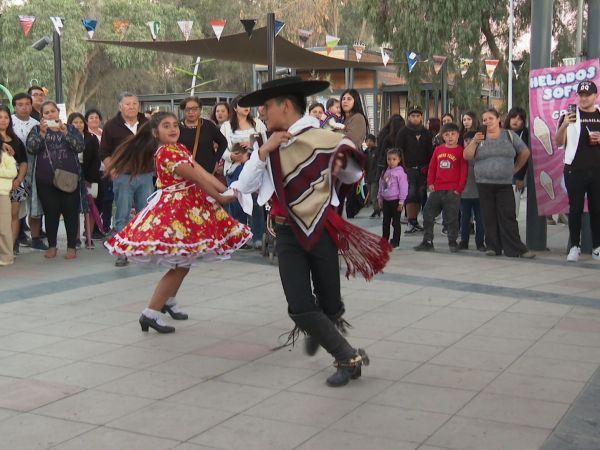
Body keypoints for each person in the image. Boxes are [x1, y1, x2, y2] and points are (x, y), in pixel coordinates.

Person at [232, 76, 392, 387]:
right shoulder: (267, 142)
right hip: (286, 232)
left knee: (330, 302)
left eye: (266, 106)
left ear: (285, 106)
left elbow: (354, 174)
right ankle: (347, 356)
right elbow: (247, 185)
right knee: (299, 305)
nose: (261, 112)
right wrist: (263, 152)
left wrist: (340, 165)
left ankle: (326, 330)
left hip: (321, 227)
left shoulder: (327, 138)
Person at [104, 112, 251, 333]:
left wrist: (228, 189)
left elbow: (202, 172)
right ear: (156, 133)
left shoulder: (179, 148)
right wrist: (221, 197)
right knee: (180, 264)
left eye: (175, 125)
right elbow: (197, 178)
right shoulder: (166, 152)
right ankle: (150, 313)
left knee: (184, 262)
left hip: (189, 206)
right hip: (176, 211)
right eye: (166, 126)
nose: (173, 129)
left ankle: (168, 301)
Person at [464, 108, 535, 258]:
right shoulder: (479, 137)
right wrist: (474, 142)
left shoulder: (509, 135)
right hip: (483, 183)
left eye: (491, 118)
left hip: (504, 183)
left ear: (498, 120)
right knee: (488, 216)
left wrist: (515, 168)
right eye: (485, 119)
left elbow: (525, 152)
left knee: (508, 216)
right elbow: (467, 155)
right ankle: (493, 246)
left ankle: (516, 249)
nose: (487, 122)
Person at [27, 102, 84, 259]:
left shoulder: (70, 128)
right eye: (46, 112)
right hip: (45, 180)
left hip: (69, 179)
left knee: (70, 213)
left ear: (58, 112)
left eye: (53, 111)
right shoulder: (36, 129)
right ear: (42, 115)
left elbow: (80, 147)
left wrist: (66, 133)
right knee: (50, 214)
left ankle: (71, 247)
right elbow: (31, 148)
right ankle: (52, 246)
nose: (50, 114)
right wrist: (42, 134)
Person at [99, 92, 149, 266]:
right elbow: (103, 152)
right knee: (122, 214)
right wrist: (112, 168)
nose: (131, 107)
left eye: (134, 103)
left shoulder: (147, 124)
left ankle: (143, 250)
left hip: (145, 175)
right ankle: (122, 251)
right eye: (127, 104)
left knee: (145, 214)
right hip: (123, 176)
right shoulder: (111, 126)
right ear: (120, 107)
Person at [556, 81, 600, 262]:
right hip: (574, 169)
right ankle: (574, 246)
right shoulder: (569, 115)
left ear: (595, 95)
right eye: (581, 95)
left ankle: (597, 247)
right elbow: (559, 142)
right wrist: (564, 125)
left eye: (587, 95)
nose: (584, 98)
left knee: (597, 209)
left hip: (597, 170)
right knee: (575, 209)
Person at [220, 95, 267, 248]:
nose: (246, 107)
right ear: (235, 108)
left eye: (248, 105)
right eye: (242, 105)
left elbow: (265, 142)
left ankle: (257, 236)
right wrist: (231, 156)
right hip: (234, 168)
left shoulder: (257, 123)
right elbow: (221, 148)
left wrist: (251, 144)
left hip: (254, 167)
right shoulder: (226, 126)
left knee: (256, 202)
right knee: (236, 202)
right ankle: (240, 237)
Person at [414, 123, 467, 253]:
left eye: (453, 134)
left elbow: (464, 171)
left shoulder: (461, 151)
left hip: (452, 190)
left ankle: (452, 241)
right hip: (437, 189)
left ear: (458, 135)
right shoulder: (438, 150)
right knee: (427, 213)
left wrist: (459, 189)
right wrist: (430, 182)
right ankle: (427, 241)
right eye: (447, 134)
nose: (450, 137)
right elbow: (432, 167)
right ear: (442, 136)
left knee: (452, 218)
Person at [11, 93, 47, 251]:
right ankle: (14, 240)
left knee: (35, 205)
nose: (24, 107)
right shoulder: (8, 122)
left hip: (34, 169)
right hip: (14, 171)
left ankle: (36, 237)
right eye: (20, 104)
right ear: (14, 106)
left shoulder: (37, 124)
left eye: (27, 104)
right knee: (15, 208)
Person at [395, 106, 433, 233]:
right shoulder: (403, 132)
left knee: (420, 193)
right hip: (408, 168)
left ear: (421, 117)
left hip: (423, 169)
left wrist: (428, 166)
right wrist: (400, 167)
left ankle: (415, 220)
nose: (415, 118)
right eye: (413, 116)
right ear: (408, 117)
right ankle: (411, 221)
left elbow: (430, 152)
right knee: (410, 193)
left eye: (417, 116)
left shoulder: (426, 133)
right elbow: (398, 151)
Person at [68, 113, 101, 248]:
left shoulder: (91, 138)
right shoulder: (66, 137)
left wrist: (89, 179)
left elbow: (96, 159)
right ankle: (75, 238)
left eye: (81, 122)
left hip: (90, 175)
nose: (78, 125)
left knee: (90, 207)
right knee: (73, 207)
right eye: (75, 122)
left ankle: (89, 236)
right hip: (71, 175)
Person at [0, 106, 28, 256]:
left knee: (13, 215)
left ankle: (10, 247)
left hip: (15, 183)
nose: (3, 120)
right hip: (1, 184)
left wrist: (18, 179)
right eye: (0, 117)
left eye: (6, 117)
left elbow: (23, 162)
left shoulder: (16, 140)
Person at [178, 96, 227, 174]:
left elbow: (223, 142)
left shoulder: (208, 125)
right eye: (187, 109)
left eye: (194, 109)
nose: (191, 112)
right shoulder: (177, 127)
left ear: (200, 109)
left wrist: (216, 161)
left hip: (207, 171)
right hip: (185, 172)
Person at [458, 131, 485, 251]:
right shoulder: (462, 156)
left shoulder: (482, 156)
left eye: (472, 140)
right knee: (465, 219)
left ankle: (480, 242)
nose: (469, 143)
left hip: (480, 194)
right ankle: (464, 241)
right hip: (464, 194)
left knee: (480, 220)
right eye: (466, 141)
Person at [86, 109, 110, 238]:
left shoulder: (103, 133)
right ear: (86, 121)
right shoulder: (87, 136)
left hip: (106, 172)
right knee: (93, 201)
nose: (94, 120)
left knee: (104, 200)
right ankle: (91, 229)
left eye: (96, 117)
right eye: (91, 118)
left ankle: (102, 226)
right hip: (93, 174)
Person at [378, 148, 408, 248]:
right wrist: (380, 197)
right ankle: (384, 239)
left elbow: (403, 187)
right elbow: (381, 185)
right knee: (385, 221)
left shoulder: (401, 173)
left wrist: (401, 202)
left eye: (394, 159)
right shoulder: (385, 171)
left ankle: (395, 241)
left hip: (396, 201)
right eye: (389, 159)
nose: (391, 161)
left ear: (399, 160)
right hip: (386, 201)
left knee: (396, 222)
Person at [0, 142, 17, 266]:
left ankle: (7, 257)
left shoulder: (6, 154)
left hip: (2, 194)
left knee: (4, 227)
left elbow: (13, 172)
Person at [365, 134, 381, 217]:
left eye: (370, 141)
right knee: (371, 196)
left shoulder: (377, 151)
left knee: (374, 195)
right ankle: (376, 209)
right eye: (367, 141)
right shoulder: (365, 152)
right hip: (368, 177)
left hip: (375, 177)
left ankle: (377, 210)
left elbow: (379, 165)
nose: (369, 143)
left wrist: (378, 176)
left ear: (374, 142)